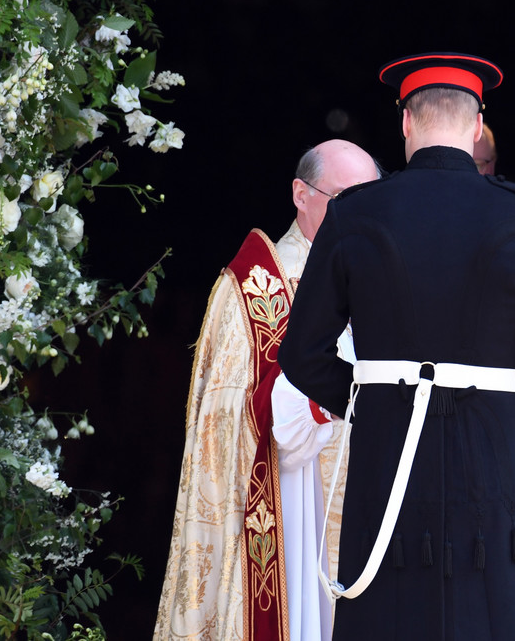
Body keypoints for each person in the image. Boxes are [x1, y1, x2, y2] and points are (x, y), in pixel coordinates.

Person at [277, 52, 515, 641]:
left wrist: (370, 404)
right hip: (489, 466)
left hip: (386, 458)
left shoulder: (352, 214)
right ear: (477, 127)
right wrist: (494, 403)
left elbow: (302, 355)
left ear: (405, 124)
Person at [153, 139, 380, 641]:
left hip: (373, 519)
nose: (360, 216)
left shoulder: (384, 286)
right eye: (344, 199)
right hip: (292, 529)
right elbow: (224, 420)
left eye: (371, 200)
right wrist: (311, 406)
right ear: (301, 194)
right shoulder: (256, 289)